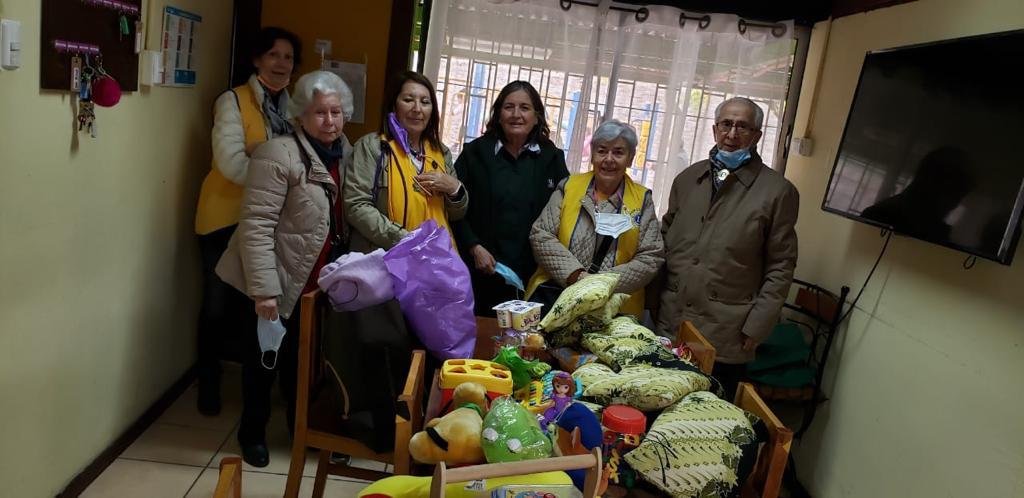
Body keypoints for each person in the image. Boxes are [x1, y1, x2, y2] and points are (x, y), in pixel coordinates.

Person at [216, 70, 354, 467]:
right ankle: (252, 435)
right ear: (300, 115)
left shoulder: (345, 153)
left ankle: (301, 432)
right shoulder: (278, 153)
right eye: (320, 113)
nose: (330, 121)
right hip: (272, 278)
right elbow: (256, 226)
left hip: (311, 283)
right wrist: (264, 290)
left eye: (336, 112)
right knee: (263, 363)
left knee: (301, 365)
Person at [656, 97, 799, 399]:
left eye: (743, 127)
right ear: (715, 129)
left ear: (757, 135)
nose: (732, 134)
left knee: (707, 417)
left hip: (726, 332)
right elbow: (664, 240)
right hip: (671, 322)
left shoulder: (778, 192)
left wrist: (758, 326)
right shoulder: (688, 179)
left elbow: (781, 266)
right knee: (657, 404)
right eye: (726, 124)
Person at [192, 27, 301, 416]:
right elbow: (230, 162)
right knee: (216, 305)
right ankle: (208, 383)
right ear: (257, 59)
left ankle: (255, 393)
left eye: (288, 57)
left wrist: (263, 154)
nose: (281, 64)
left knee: (255, 308)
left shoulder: (295, 108)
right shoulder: (232, 101)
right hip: (222, 219)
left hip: (267, 223)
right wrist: (274, 167)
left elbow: (300, 161)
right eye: (273, 55)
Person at [453, 81, 570, 314]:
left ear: (536, 117)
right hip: (481, 269)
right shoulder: (475, 153)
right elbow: (453, 208)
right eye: (509, 107)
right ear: (498, 115)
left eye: (525, 108)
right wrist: (474, 247)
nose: (516, 114)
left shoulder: (552, 158)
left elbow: (564, 213)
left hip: (532, 275)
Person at [527, 120, 664, 317]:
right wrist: (577, 276)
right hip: (558, 299)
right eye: (602, 151)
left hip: (613, 310)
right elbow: (541, 235)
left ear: (630, 159)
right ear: (592, 155)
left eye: (618, 152)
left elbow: (651, 256)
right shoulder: (569, 186)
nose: (609, 159)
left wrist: (601, 284)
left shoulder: (642, 200)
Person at [344, 71, 467, 252]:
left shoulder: (441, 153)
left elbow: (456, 214)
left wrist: (455, 189)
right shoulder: (372, 147)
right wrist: (406, 239)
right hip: (384, 256)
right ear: (394, 105)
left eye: (425, 102)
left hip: (434, 258)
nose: (417, 108)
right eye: (408, 100)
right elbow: (356, 206)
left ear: (432, 110)